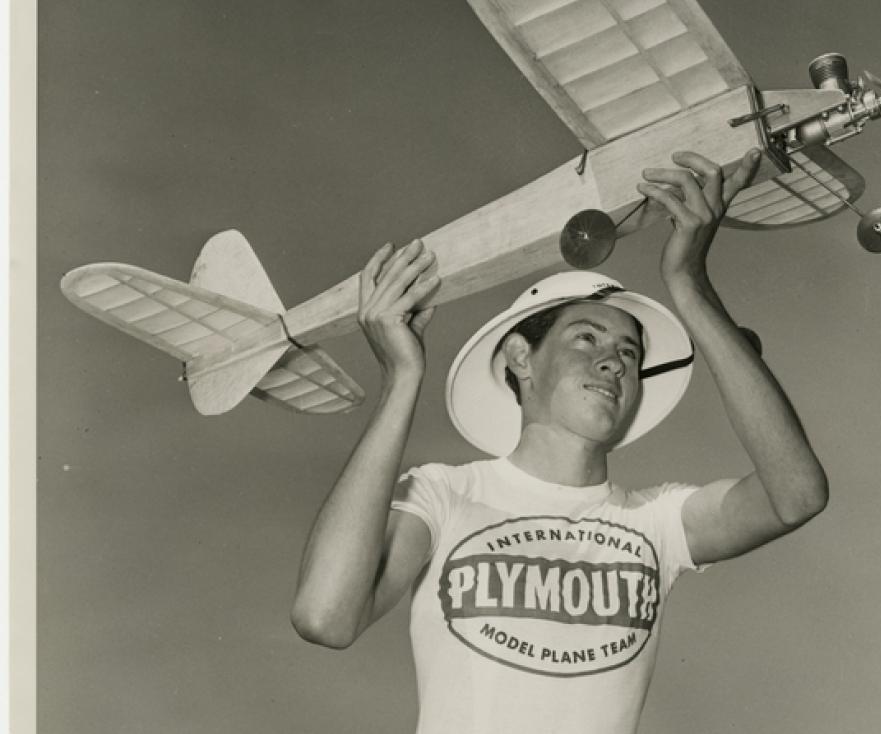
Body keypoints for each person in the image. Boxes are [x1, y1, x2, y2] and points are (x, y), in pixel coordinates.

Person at [291, 149, 828, 734]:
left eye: (629, 352)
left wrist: (689, 282)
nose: (612, 364)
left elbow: (796, 496)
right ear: (522, 357)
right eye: (585, 338)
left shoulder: (656, 522)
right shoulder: (445, 493)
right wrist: (401, 378)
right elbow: (325, 617)